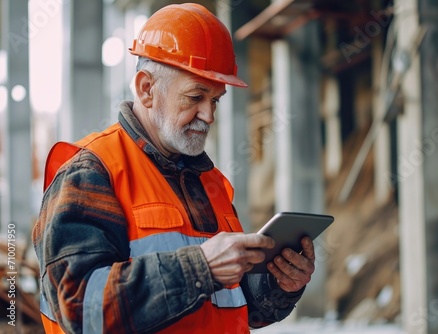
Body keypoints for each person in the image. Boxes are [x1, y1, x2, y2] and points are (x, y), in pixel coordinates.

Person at [32, 3, 315, 333]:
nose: (208, 115)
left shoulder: (209, 183)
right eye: (195, 96)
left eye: (215, 100)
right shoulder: (91, 174)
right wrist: (200, 268)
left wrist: (280, 285)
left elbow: (232, 304)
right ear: (146, 89)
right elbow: (80, 309)